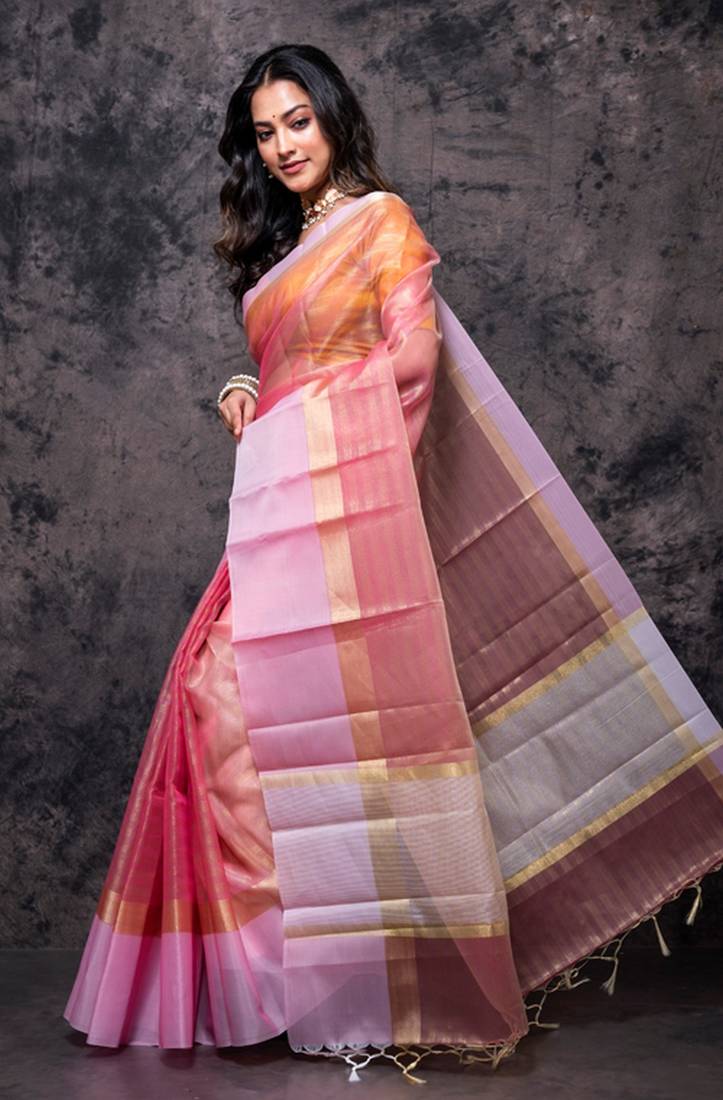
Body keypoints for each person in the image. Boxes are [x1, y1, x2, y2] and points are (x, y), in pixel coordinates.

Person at [63, 43, 723, 1083]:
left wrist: (295, 428)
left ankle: (344, 971)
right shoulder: (289, 247)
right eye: (265, 132)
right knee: (217, 705)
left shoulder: (380, 220)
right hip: (282, 512)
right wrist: (248, 389)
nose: (284, 146)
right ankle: (278, 972)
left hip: (344, 515)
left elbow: (409, 363)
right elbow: (303, 367)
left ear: (333, 118)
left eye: (298, 122)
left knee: (313, 732)